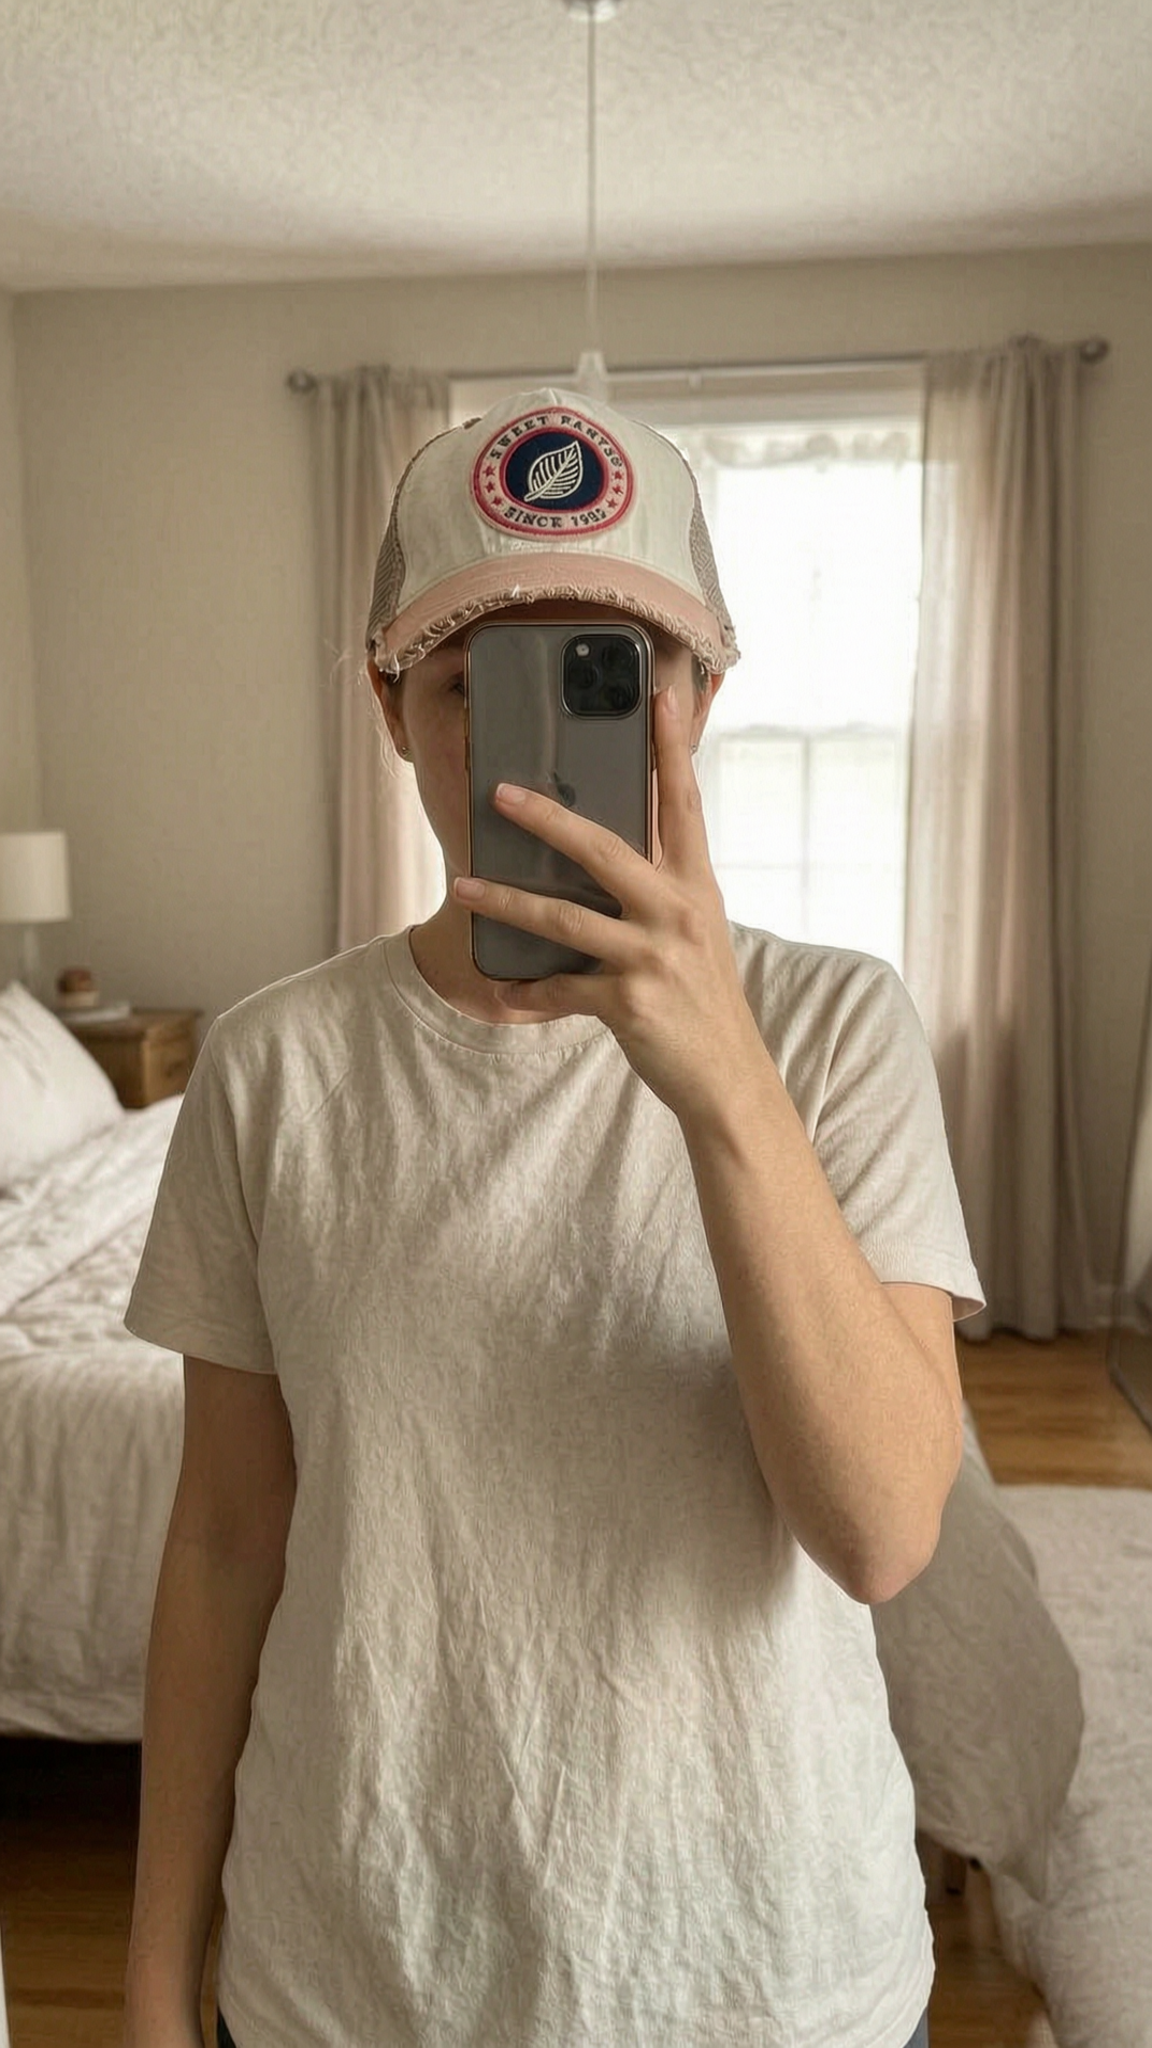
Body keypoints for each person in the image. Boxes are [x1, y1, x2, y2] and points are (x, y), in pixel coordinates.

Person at [121, 387, 985, 2048]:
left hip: (759, 1976)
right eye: (474, 685)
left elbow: (882, 1531)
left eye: (612, 675)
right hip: (349, 1972)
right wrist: (157, 1981)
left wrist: (724, 1085)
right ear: (391, 708)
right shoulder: (273, 1066)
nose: (534, 755)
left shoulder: (834, 1032)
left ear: (702, 699)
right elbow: (225, 1542)